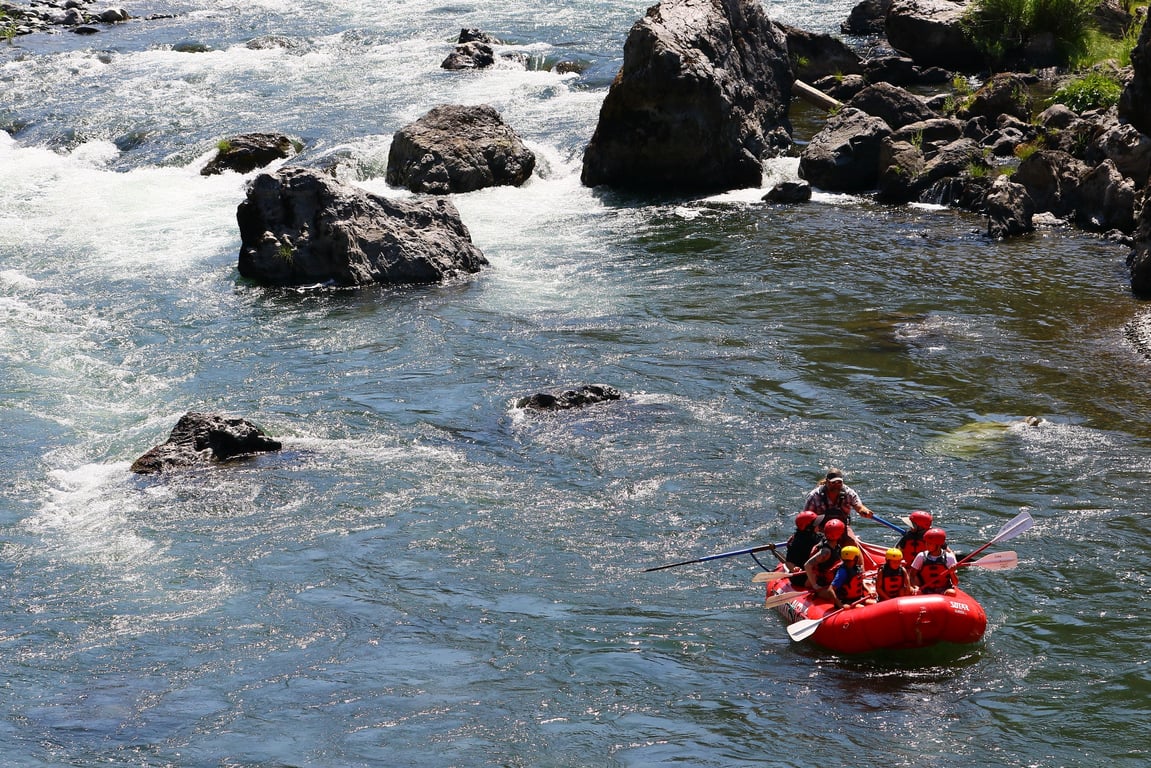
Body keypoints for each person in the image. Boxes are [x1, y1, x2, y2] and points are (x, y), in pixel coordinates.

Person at [803, 467, 874, 546]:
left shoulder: (848, 493)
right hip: (821, 530)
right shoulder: (814, 496)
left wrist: (865, 511)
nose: (836, 485)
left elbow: (859, 507)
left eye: (839, 482)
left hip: (842, 529)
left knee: (852, 543)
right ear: (827, 482)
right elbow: (807, 520)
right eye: (833, 483)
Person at [804, 518, 847, 601]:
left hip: (832, 580)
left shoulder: (834, 544)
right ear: (838, 534)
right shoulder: (826, 552)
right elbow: (807, 565)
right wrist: (815, 586)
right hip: (823, 583)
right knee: (843, 596)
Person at [909, 527, 959, 596]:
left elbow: (955, 583)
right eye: (926, 542)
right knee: (915, 592)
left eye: (929, 543)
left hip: (943, 589)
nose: (926, 545)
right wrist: (915, 586)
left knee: (951, 593)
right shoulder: (921, 556)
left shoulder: (949, 557)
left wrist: (952, 572)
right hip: (925, 589)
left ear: (938, 545)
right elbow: (912, 575)